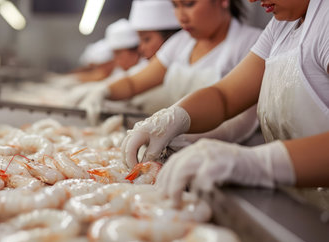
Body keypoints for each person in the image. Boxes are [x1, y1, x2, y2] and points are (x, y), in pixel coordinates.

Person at [122, 0, 329, 201]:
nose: (252, 0)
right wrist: (171, 119)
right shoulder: (280, 27)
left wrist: (256, 163)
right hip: (301, 201)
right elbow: (225, 96)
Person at [82, 0, 263, 144]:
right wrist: (103, 91)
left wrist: (181, 137)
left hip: (226, 152)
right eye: (175, 5)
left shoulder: (250, 42)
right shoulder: (180, 43)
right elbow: (134, 83)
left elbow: (239, 120)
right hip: (173, 145)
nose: (181, 17)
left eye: (189, 4)